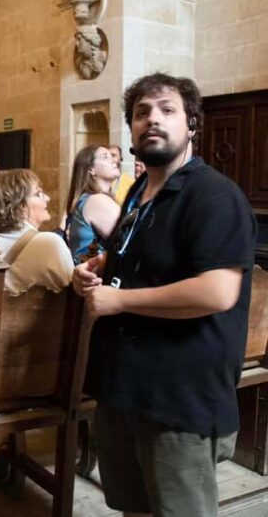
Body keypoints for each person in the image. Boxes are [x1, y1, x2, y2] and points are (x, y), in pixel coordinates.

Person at [73, 72, 257, 517]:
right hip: (123, 387)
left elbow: (217, 291)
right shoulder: (139, 193)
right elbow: (143, 253)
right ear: (131, 128)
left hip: (178, 398)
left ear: (191, 124)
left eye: (167, 110)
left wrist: (119, 301)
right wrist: (98, 268)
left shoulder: (214, 195)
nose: (152, 119)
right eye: (141, 113)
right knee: (132, 508)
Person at [0, 169, 73, 299]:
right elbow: (75, 298)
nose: (47, 199)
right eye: (38, 194)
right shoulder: (50, 244)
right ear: (20, 208)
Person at [65, 144, 121, 263]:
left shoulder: (87, 199)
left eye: (112, 156)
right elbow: (131, 239)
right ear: (91, 169)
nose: (114, 160)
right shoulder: (97, 201)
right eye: (105, 157)